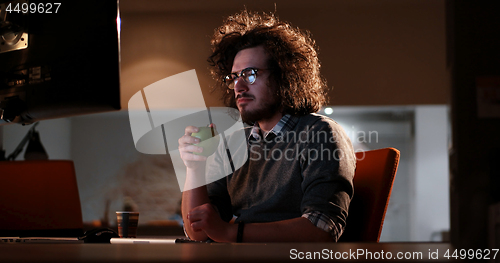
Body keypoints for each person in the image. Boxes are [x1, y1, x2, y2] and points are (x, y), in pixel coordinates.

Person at [178, 10, 355, 243]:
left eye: (250, 74)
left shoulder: (318, 133)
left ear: (284, 77)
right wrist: (194, 169)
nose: (238, 86)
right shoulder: (233, 144)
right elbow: (199, 231)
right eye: (233, 77)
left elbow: (322, 228)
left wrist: (231, 233)